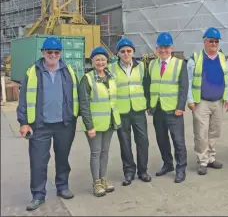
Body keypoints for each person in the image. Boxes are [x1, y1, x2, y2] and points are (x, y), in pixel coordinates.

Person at [17, 37, 79, 211]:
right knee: (38, 161)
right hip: (40, 125)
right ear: (43, 53)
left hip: (64, 124)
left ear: (60, 54)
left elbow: (76, 96)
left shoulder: (68, 71)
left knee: (62, 158)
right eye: (49, 52)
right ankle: (38, 195)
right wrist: (24, 122)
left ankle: (62, 187)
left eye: (56, 52)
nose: (53, 55)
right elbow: (23, 99)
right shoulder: (33, 72)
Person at [187, 27, 228, 175]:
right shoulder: (195, 58)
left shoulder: (222, 58)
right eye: (210, 41)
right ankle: (202, 160)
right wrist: (190, 100)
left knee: (214, 132)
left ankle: (211, 158)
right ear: (204, 42)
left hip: (218, 101)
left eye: (216, 41)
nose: (213, 44)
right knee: (201, 133)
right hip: (201, 102)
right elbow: (188, 81)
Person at [78, 47, 121, 197]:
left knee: (105, 152)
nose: (100, 62)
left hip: (109, 122)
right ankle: (96, 182)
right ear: (92, 62)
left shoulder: (111, 77)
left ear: (107, 61)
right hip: (94, 124)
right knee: (96, 153)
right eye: (97, 59)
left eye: (103, 59)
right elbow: (84, 104)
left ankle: (104, 179)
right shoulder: (87, 79)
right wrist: (89, 126)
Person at [109, 38, 151, 186]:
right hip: (122, 111)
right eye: (123, 51)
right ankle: (129, 172)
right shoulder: (111, 69)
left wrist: (149, 105)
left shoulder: (141, 67)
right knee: (125, 143)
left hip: (138, 110)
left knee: (143, 141)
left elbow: (147, 86)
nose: (126, 53)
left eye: (129, 51)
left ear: (133, 52)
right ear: (118, 54)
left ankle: (143, 171)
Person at [148, 32, 188, 183]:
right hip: (157, 109)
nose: (163, 50)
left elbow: (184, 88)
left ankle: (181, 168)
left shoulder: (179, 64)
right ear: (156, 48)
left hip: (173, 110)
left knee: (178, 141)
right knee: (161, 139)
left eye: (166, 47)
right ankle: (168, 164)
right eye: (160, 47)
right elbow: (149, 85)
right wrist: (150, 105)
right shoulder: (152, 64)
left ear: (171, 48)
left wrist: (180, 107)